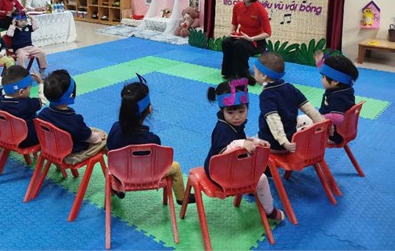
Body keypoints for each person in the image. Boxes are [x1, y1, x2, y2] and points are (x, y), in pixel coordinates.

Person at [204, 79, 284, 222]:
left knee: (257, 168)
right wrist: (241, 143)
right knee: (262, 178)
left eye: (241, 111)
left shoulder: (234, 124)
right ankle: (269, 211)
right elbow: (223, 153)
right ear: (222, 111)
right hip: (218, 174)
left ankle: (252, 189)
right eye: (230, 112)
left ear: (247, 108)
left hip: (232, 168)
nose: (237, 117)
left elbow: (240, 138)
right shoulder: (221, 129)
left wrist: (255, 141)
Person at [106, 75, 195, 205]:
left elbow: (109, 149)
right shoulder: (152, 140)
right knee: (176, 167)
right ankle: (182, 198)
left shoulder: (115, 129)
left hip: (120, 174)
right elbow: (159, 161)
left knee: (112, 159)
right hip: (149, 175)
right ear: (149, 109)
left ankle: (117, 186)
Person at [253, 51, 324, 153]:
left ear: (264, 75)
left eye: (255, 72)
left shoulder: (266, 95)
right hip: (292, 139)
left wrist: (283, 141)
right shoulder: (290, 87)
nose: (254, 75)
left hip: (274, 144)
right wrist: (322, 123)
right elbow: (308, 108)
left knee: (250, 140)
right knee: (303, 119)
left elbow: (273, 120)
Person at [38, 69, 106, 164]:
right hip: (71, 154)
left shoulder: (42, 115)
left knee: (87, 130)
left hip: (50, 149)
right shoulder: (75, 120)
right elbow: (88, 137)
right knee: (105, 137)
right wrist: (99, 137)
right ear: (71, 95)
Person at [299, 54, 359, 144]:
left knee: (297, 132)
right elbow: (332, 74)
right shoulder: (345, 88)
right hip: (340, 129)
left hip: (330, 133)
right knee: (299, 119)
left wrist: (319, 118)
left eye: (323, 77)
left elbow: (338, 118)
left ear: (335, 81)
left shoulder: (337, 98)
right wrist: (320, 64)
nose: (321, 80)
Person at [221, 0, 270, 85]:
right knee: (226, 42)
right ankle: (228, 72)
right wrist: (231, 33)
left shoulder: (260, 10)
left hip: (256, 41)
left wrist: (250, 38)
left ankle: (241, 74)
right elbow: (234, 23)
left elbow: (268, 33)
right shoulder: (237, 6)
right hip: (241, 37)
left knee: (238, 45)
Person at [0, 65, 44, 147]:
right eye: (29, 87)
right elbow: (42, 100)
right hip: (26, 140)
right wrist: (41, 83)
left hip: (6, 136)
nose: (30, 89)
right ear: (21, 92)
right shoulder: (27, 104)